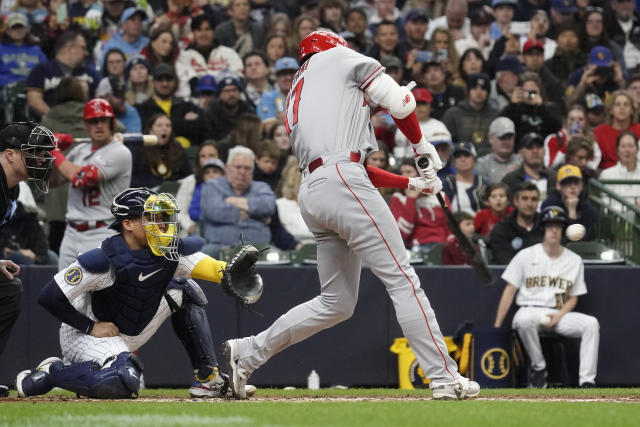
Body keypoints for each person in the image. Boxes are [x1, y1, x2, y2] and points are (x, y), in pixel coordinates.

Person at [223, 31, 480, 401]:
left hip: (315, 190)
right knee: (403, 279)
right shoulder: (341, 59)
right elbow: (403, 102)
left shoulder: (299, 89)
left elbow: (349, 163)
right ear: (334, 46)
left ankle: (248, 353)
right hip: (341, 181)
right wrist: (422, 147)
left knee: (336, 303)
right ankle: (444, 378)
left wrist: (411, 181)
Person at [15, 187, 256, 399]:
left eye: (162, 216)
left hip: (133, 328)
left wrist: (233, 274)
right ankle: (52, 373)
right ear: (127, 224)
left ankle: (207, 379)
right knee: (121, 383)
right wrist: (89, 326)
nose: (161, 223)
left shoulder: (168, 248)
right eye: (151, 217)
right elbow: (48, 296)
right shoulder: (103, 259)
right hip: (88, 334)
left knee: (187, 289)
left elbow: (218, 270)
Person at [493, 205, 599, 388]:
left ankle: (587, 381)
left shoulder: (574, 260)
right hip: (530, 310)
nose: (554, 229)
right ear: (543, 228)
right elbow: (509, 290)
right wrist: (497, 325)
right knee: (524, 320)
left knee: (591, 324)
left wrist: (559, 315)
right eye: (550, 225)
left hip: (558, 314)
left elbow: (573, 297)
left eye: (558, 225)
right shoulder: (526, 255)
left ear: (563, 230)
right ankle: (539, 367)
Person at [0, 122, 55, 398]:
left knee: (9, 290)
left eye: (44, 154)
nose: (42, 159)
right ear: (10, 154)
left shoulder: (10, 190)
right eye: (35, 153)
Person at [50, 98, 133, 270]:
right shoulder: (80, 150)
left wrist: (55, 151)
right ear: (86, 124)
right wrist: (50, 155)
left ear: (112, 123)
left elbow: (81, 178)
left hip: (102, 231)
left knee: (98, 293)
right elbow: (52, 182)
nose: (99, 125)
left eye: (103, 120)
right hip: (71, 232)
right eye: (93, 121)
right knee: (65, 293)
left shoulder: (120, 152)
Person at [200, 146, 276, 258]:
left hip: (258, 248)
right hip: (219, 246)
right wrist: (255, 214)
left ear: (253, 170)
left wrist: (233, 202)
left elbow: (268, 207)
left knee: (277, 256)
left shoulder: (262, 187)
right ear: (227, 168)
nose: (242, 172)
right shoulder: (213, 186)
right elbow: (214, 211)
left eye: (247, 168)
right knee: (204, 256)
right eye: (238, 167)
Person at [25, 31, 99, 118]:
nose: (86, 53)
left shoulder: (90, 72)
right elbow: (34, 100)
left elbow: (99, 99)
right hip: (51, 125)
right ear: (69, 47)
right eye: (83, 48)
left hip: (85, 124)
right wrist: (56, 119)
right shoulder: (41, 70)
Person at [134, 63, 209, 147]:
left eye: (168, 79)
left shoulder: (186, 105)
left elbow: (201, 127)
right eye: (160, 80)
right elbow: (146, 131)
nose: (165, 84)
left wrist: (160, 126)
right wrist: (183, 123)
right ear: (152, 82)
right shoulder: (143, 108)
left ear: (175, 81)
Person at [174, 15, 243, 98]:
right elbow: (183, 87)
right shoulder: (184, 57)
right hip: (194, 101)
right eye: (199, 30)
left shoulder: (228, 53)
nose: (204, 34)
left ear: (213, 32)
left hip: (224, 101)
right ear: (193, 33)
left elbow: (239, 78)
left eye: (207, 29)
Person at [441, 72, 499, 155]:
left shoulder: (495, 115)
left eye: (483, 89)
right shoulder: (453, 114)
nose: (479, 92)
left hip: (489, 160)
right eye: (475, 88)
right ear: (468, 90)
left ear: (488, 92)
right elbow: (445, 142)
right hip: (460, 159)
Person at [130, 113, 191, 189]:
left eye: (168, 126)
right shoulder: (139, 149)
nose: (164, 129)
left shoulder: (178, 148)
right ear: (150, 130)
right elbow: (132, 178)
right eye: (159, 125)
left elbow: (188, 175)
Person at [488, 181, 544, 264]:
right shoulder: (502, 228)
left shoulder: (546, 225)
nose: (529, 203)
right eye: (524, 198)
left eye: (534, 199)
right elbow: (503, 261)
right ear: (515, 201)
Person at [176, 141, 221, 236]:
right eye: (203, 156)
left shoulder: (229, 182)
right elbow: (179, 211)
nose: (207, 159)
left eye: (211, 155)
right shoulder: (189, 181)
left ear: (219, 157)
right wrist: (189, 226)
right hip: (194, 231)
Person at [541, 165, 597, 241]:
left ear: (581, 186)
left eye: (576, 183)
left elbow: (580, 240)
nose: (573, 186)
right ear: (558, 186)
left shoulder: (588, 209)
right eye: (567, 182)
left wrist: (572, 210)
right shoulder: (550, 204)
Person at [502, 132, 557, 201]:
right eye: (530, 147)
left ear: (544, 151)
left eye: (539, 147)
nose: (535, 151)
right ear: (521, 153)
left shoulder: (555, 178)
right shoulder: (510, 180)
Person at [593, 90, 640, 170]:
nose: (622, 108)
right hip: (605, 175)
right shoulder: (599, 132)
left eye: (626, 104)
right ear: (611, 110)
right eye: (617, 105)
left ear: (632, 110)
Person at [0, 12, 46, 87]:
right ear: (7, 31)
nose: (18, 30)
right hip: (6, 89)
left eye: (21, 27)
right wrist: (10, 83)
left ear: (26, 29)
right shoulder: (1, 49)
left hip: (33, 88)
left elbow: (45, 70)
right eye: (14, 28)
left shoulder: (36, 50)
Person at [442, 142, 487, 215]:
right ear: (453, 161)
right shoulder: (446, 184)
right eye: (458, 156)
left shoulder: (484, 184)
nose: (463, 159)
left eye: (467, 155)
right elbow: (443, 208)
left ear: (474, 159)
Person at [598, 131, 640, 210]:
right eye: (623, 146)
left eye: (631, 146)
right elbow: (606, 205)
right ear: (617, 150)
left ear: (637, 149)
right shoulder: (607, 174)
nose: (627, 150)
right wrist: (632, 209)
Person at [257, 57, 299, 134]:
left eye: (292, 73)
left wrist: (285, 120)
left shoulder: (307, 96)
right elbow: (268, 128)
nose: (288, 77)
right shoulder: (268, 97)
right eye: (283, 74)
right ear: (276, 77)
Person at [475, 117, 521, 183]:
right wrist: (508, 178)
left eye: (509, 137)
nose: (506, 142)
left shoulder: (523, 163)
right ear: (491, 138)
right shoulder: (481, 165)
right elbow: (481, 191)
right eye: (502, 137)